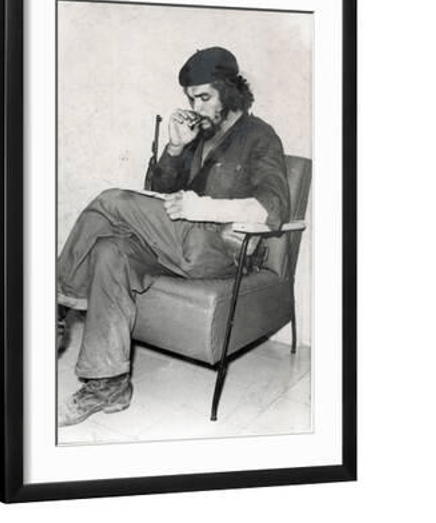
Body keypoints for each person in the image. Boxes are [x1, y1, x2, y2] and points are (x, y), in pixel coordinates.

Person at [57, 46, 290, 426]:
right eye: (191, 98)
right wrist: (176, 147)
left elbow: (273, 208)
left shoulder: (260, 136)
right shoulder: (200, 135)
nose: (196, 107)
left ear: (230, 91)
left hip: (221, 250)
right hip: (177, 243)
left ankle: (53, 306)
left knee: (110, 200)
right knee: (109, 250)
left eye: (204, 98)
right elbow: (158, 196)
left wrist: (202, 207)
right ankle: (108, 385)